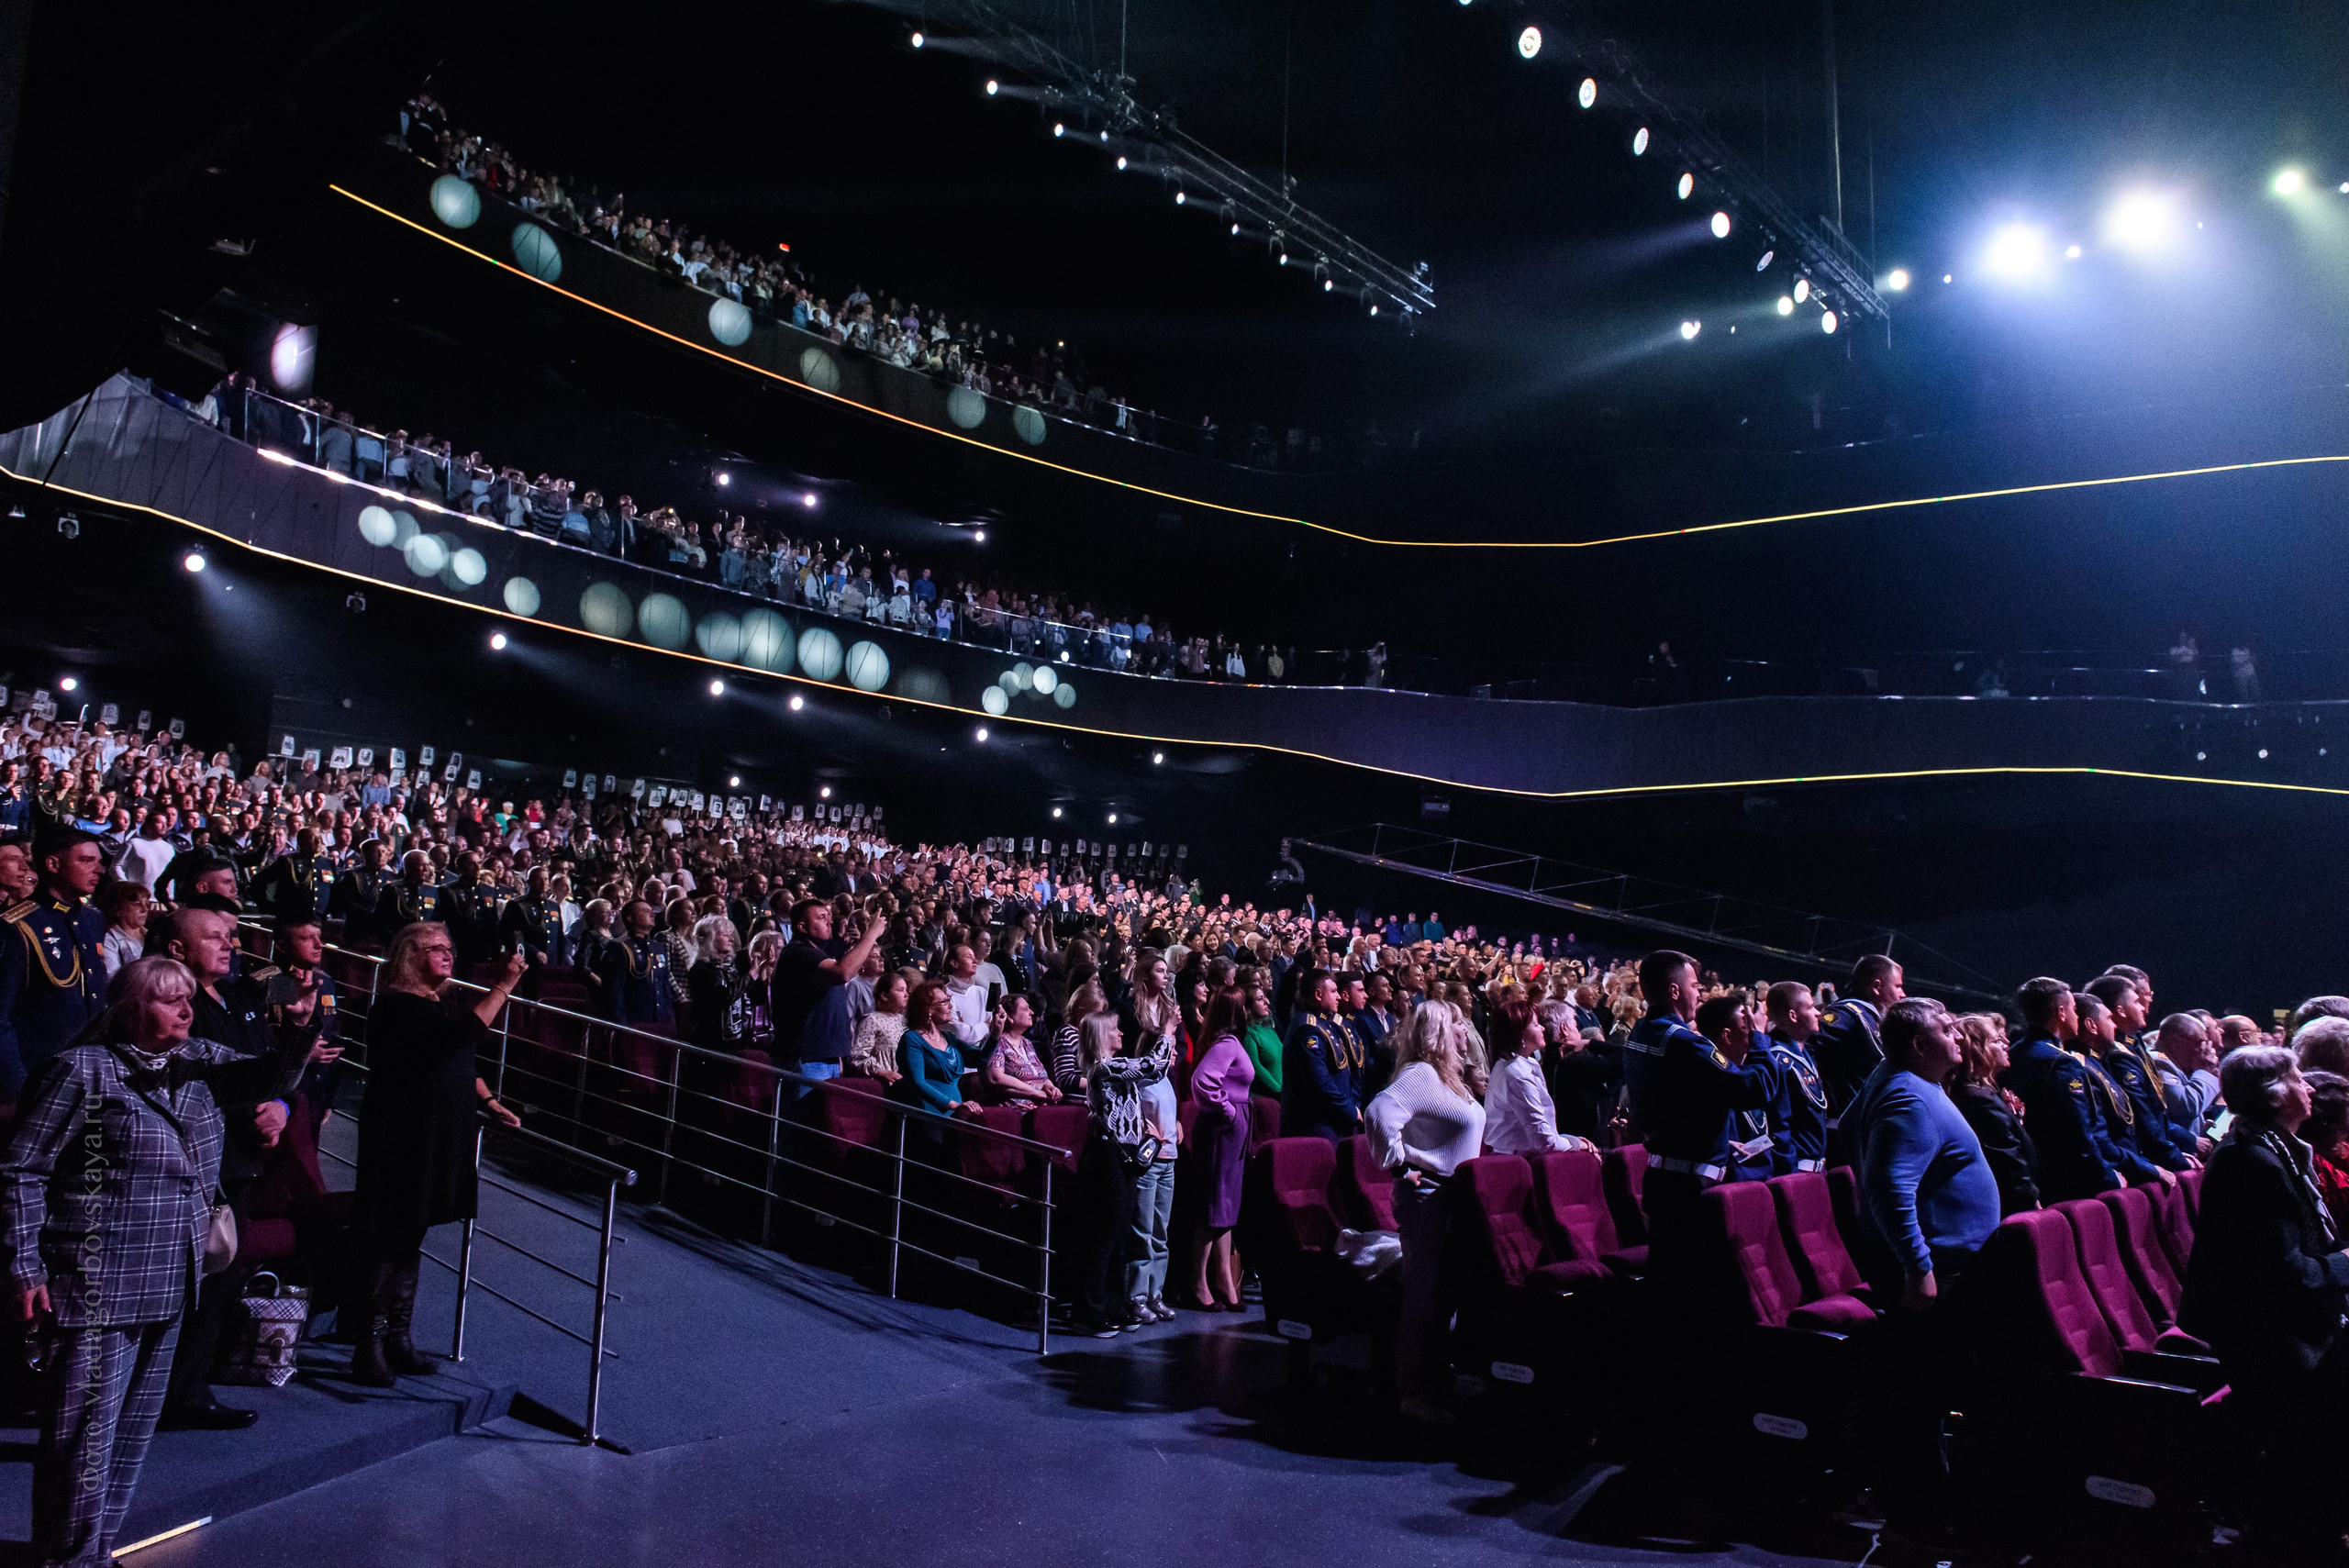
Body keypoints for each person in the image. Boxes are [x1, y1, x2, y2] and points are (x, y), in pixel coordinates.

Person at [1, 956, 314, 1567]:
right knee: (81, 1439)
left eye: (186, 999)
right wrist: (24, 1267)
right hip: (96, 1276)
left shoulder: (197, 1061)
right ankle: (64, 1557)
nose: (185, 1009)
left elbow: (268, 1076)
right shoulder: (81, 1070)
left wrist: (299, 1028)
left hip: (171, 1275)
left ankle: (88, 1551)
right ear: (127, 1009)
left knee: (128, 1436)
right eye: (169, 1000)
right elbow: (22, 1169)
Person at [1840, 997, 1999, 1540]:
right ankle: (1918, 1507)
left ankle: (1911, 1492)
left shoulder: (1899, 1079)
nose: (1958, 1035)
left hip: (1944, 1257)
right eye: (1946, 1029)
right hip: (1937, 1264)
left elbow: (1845, 1127)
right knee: (1922, 1386)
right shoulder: (1908, 1096)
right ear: (1917, 1045)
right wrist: (1917, 1266)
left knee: (1919, 1379)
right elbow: (1890, 1191)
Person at [2178, 1046, 2349, 1551]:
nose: (2311, 1088)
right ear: (2276, 1095)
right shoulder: (2252, 1161)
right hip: (2266, 1333)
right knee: (2310, 1439)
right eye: (2300, 1079)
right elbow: (2284, 1274)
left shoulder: (2273, 1147)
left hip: (2282, 1319)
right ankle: (2305, 1538)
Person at [348, 924, 524, 1387]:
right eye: (436, 949)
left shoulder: (434, 1002)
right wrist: (503, 986)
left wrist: (486, 1100)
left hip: (438, 1134)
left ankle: (398, 1338)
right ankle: (367, 1345)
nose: (448, 956)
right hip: (404, 1136)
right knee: (390, 1236)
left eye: (450, 949)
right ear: (409, 954)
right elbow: (463, 1036)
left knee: (412, 1233)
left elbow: (457, 1059)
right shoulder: (394, 1005)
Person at [1365, 1000, 1486, 1423]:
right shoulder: (1420, 1074)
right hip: (1430, 1199)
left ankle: (1434, 1377)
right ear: (1439, 1031)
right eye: (1457, 1025)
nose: (1463, 1032)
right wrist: (1401, 1164)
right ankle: (1413, 1393)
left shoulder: (1449, 1078)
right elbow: (1378, 1112)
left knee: (1444, 1296)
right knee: (1424, 1296)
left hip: (1455, 1202)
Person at [1073, 1011, 1170, 1338]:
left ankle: (1113, 1305)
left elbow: (1154, 1075)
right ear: (1101, 1035)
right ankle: (1089, 1310)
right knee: (1105, 1236)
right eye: (1115, 1029)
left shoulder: (1117, 1068)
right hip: (1107, 1154)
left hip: (1125, 1155)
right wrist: (1167, 1031)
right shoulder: (1104, 1069)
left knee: (1121, 1236)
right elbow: (1154, 1066)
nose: (1122, 1035)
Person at [0, 826, 109, 1101]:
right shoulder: (17, 926)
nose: (100, 870)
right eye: (86, 861)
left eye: (99, 861)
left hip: (91, 1073)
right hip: (39, 1076)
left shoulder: (92, 919)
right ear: (52, 864)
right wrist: (17, 1089)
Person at [1184, 984, 1253, 1310]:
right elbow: (1202, 1081)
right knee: (1212, 1207)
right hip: (1220, 1132)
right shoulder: (1226, 1044)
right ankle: (1198, 1283)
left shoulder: (1231, 1042)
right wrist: (1226, 1108)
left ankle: (1224, 1278)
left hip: (1230, 1133)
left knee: (1225, 1207)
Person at [773, 896, 881, 1095]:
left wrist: (836, 1054)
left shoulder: (820, 956)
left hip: (824, 1058)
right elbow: (844, 972)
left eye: (829, 917)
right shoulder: (799, 953)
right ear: (803, 927)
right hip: (806, 1060)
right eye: (822, 918)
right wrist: (872, 934)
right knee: (802, 1122)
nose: (829, 922)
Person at [1946, 1013, 2040, 1216]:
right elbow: (2007, 1163)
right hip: (2011, 1208)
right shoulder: (1978, 1099)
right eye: (1997, 1040)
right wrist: (2030, 1198)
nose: (2007, 1043)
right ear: (1978, 1050)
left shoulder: (1985, 1093)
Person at [1482, 996, 1590, 1156]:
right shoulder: (1516, 1074)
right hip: (1517, 1164)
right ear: (1520, 1034)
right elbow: (1543, 1141)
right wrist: (1576, 1143)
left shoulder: (1519, 1064)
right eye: (1535, 1024)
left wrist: (1572, 1140)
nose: (1543, 1028)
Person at [1812, 954, 1903, 1141]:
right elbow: (1811, 1041)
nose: (1902, 994)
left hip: (1859, 1122)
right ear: (1877, 987)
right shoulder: (1845, 1012)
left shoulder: (1870, 1016)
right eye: (1898, 986)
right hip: (1841, 1126)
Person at [1753, 981, 1830, 1173]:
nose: (1818, 1013)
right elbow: (1779, 1124)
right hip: (1796, 1171)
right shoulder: (1779, 1061)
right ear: (1793, 1016)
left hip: (1816, 1168)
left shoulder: (1807, 1054)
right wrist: (1789, 1171)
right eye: (1811, 1007)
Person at [1280, 969, 1360, 1140]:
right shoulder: (1308, 1029)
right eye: (1333, 992)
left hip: (1333, 1121)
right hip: (1317, 1126)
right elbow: (1320, 1083)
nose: (1338, 997)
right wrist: (1350, 1109)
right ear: (1318, 994)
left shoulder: (1324, 1023)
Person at [892, 981, 972, 1122]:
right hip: (927, 1115)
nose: (950, 1005)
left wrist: (996, 1033)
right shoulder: (912, 1039)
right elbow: (918, 1082)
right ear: (928, 1009)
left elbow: (979, 1058)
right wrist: (953, 1105)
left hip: (955, 1116)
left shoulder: (948, 1038)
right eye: (944, 1001)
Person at [981, 993, 1060, 1105]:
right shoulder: (996, 1042)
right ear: (1009, 1017)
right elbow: (995, 1078)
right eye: (1025, 1009)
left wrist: (1049, 1086)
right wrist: (1033, 1092)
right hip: (1013, 1111)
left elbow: (1037, 1073)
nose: (1031, 1012)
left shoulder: (1026, 1043)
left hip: (1039, 1109)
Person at [847, 969, 910, 1083]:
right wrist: (881, 1071)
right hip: (883, 1084)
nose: (906, 995)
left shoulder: (904, 1021)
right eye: (901, 990)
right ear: (884, 996)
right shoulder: (872, 1020)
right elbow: (857, 1057)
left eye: (906, 990)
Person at [95, 878, 149, 979]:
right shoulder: (110, 940)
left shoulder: (152, 936)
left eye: (147, 904)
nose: (145, 909)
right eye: (137, 904)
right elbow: (112, 976)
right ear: (118, 909)